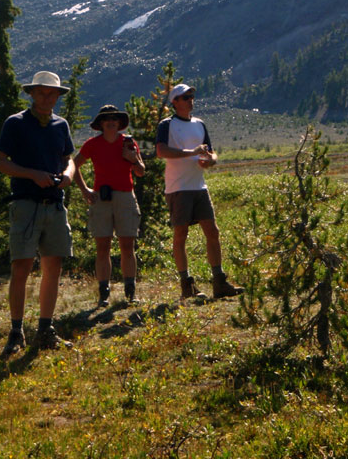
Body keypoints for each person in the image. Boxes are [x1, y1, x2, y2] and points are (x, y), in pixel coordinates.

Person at [0, 70, 76, 356]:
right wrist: (32, 175)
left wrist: (67, 175)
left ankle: (45, 328)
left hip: (54, 203)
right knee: (21, 268)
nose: (47, 97)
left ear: (57, 96)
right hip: (25, 203)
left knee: (53, 268)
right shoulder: (15, 123)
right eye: (41, 92)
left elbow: (69, 160)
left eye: (52, 93)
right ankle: (16, 332)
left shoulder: (60, 125)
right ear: (31, 94)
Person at [155, 83, 243, 300]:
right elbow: (161, 151)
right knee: (180, 235)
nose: (190, 100)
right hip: (178, 187)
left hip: (198, 185)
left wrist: (210, 161)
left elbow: (211, 152)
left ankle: (219, 281)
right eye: (185, 97)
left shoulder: (200, 124)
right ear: (175, 102)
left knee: (212, 231)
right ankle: (186, 285)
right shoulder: (167, 125)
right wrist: (191, 153)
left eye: (191, 96)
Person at [74, 105, 146, 307]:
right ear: (101, 124)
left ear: (119, 122)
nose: (111, 121)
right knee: (102, 247)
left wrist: (133, 159)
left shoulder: (128, 143)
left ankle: (130, 292)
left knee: (127, 246)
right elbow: (74, 165)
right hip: (101, 199)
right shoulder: (92, 144)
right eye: (107, 119)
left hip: (125, 197)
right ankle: (103, 293)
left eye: (114, 118)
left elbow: (141, 171)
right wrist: (85, 190)